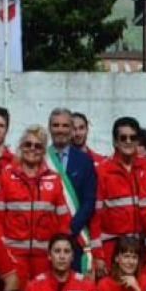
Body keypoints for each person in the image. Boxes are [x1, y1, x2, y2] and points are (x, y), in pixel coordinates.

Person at [0, 125, 72, 286]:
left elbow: (64, 220)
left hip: (44, 257)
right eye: (28, 144)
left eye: (38, 146)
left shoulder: (54, 179)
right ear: (21, 147)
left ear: (43, 150)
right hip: (14, 255)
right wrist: (3, 250)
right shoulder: (7, 177)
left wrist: (57, 251)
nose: (32, 149)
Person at [91, 117, 146, 276]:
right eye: (123, 138)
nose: (128, 141)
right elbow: (95, 217)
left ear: (137, 141)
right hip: (114, 250)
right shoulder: (102, 171)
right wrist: (98, 255)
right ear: (115, 142)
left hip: (142, 250)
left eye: (132, 138)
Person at [47, 108, 98, 273]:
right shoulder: (41, 158)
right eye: (56, 125)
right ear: (49, 128)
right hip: (47, 234)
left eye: (65, 125)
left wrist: (70, 229)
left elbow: (89, 202)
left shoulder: (84, 161)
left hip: (75, 235)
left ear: (71, 129)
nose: (60, 130)